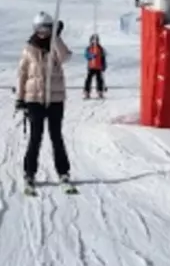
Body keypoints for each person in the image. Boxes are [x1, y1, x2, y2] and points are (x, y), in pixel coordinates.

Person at [15, 11, 72, 191]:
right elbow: (22, 74)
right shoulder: (29, 48)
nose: (42, 32)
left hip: (55, 99)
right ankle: (29, 172)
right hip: (34, 99)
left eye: (46, 28)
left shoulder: (55, 46)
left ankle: (63, 172)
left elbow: (65, 57)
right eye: (38, 29)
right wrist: (20, 98)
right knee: (35, 136)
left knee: (56, 136)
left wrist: (57, 38)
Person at [83, 33, 106, 99]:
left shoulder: (100, 48)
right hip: (91, 67)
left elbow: (103, 57)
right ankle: (87, 92)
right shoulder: (89, 48)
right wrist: (92, 56)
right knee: (88, 79)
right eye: (93, 40)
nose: (94, 42)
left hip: (98, 67)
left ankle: (100, 91)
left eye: (96, 40)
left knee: (99, 80)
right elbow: (86, 55)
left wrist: (104, 65)